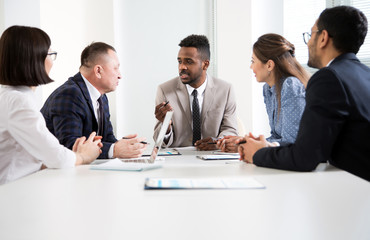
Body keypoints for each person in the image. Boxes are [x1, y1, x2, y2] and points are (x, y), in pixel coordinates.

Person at [239, 6, 370, 181]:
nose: (308, 43)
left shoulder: (328, 78)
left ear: (323, 38)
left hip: (353, 191)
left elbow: (304, 158)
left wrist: (259, 153)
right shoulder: (365, 74)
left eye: (311, 35)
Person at [0, 26, 102, 185]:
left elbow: (36, 157)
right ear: (33, 58)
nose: (52, 61)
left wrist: (73, 155)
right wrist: (83, 156)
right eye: (50, 54)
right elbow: (56, 157)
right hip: (13, 191)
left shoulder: (12, 97)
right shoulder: (18, 101)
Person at [41, 42, 146, 159]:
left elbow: (106, 138)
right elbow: (71, 146)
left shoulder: (101, 96)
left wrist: (121, 146)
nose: (120, 75)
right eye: (116, 68)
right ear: (98, 71)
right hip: (53, 173)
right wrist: (114, 150)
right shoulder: (69, 94)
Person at [218, 34, 309, 152]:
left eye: (253, 61)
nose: (251, 67)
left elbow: (291, 142)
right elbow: (276, 138)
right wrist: (245, 142)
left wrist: (247, 145)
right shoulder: (268, 89)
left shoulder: (290, 86)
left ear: (269, 65)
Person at [154, 34, 238, 150]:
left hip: (213, 158)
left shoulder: (225, 90)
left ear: (205, 64)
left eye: (189, 62)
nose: (182, 67)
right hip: (178, 160)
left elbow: (231, 130)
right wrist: (166, 126)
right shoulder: (165, 90)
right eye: (180, 61)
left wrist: (218, 142)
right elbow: (159, 142)